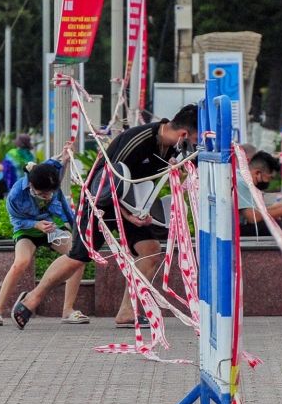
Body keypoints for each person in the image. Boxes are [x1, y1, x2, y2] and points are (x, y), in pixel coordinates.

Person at [11, 104, 198, 331]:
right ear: (184, 135)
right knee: (78, 256)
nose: (196, 146)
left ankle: (127, 313)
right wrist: (129, 216)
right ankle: (31, 299)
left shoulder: (173, 146)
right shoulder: (137, 140)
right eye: (196, 140)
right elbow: (109, 183)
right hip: (101, 200)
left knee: (150, 251)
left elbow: (193, 165)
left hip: (132, 204)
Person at [0, 161, 86, 326]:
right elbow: (16, 219)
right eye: (42, 193)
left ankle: (68, 310)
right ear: (31, 185)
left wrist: (77, 229)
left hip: (51, 228)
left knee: (78, 255)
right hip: (27, 230)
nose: (47, 196)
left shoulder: (50, 181)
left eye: (50, 193)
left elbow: (66, 209)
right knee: (20, 262)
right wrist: (35, 225)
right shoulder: (16, 194)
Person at [237, 150, 282, 237]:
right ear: (257, 173)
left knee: (272, 220)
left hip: (234, 226)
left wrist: (275, 209)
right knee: (270, 226)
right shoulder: (242, 182)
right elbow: (252, 217)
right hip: (232, 232)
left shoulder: (240, 176)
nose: (269, 182)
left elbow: (252, 211)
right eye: (269, 178)